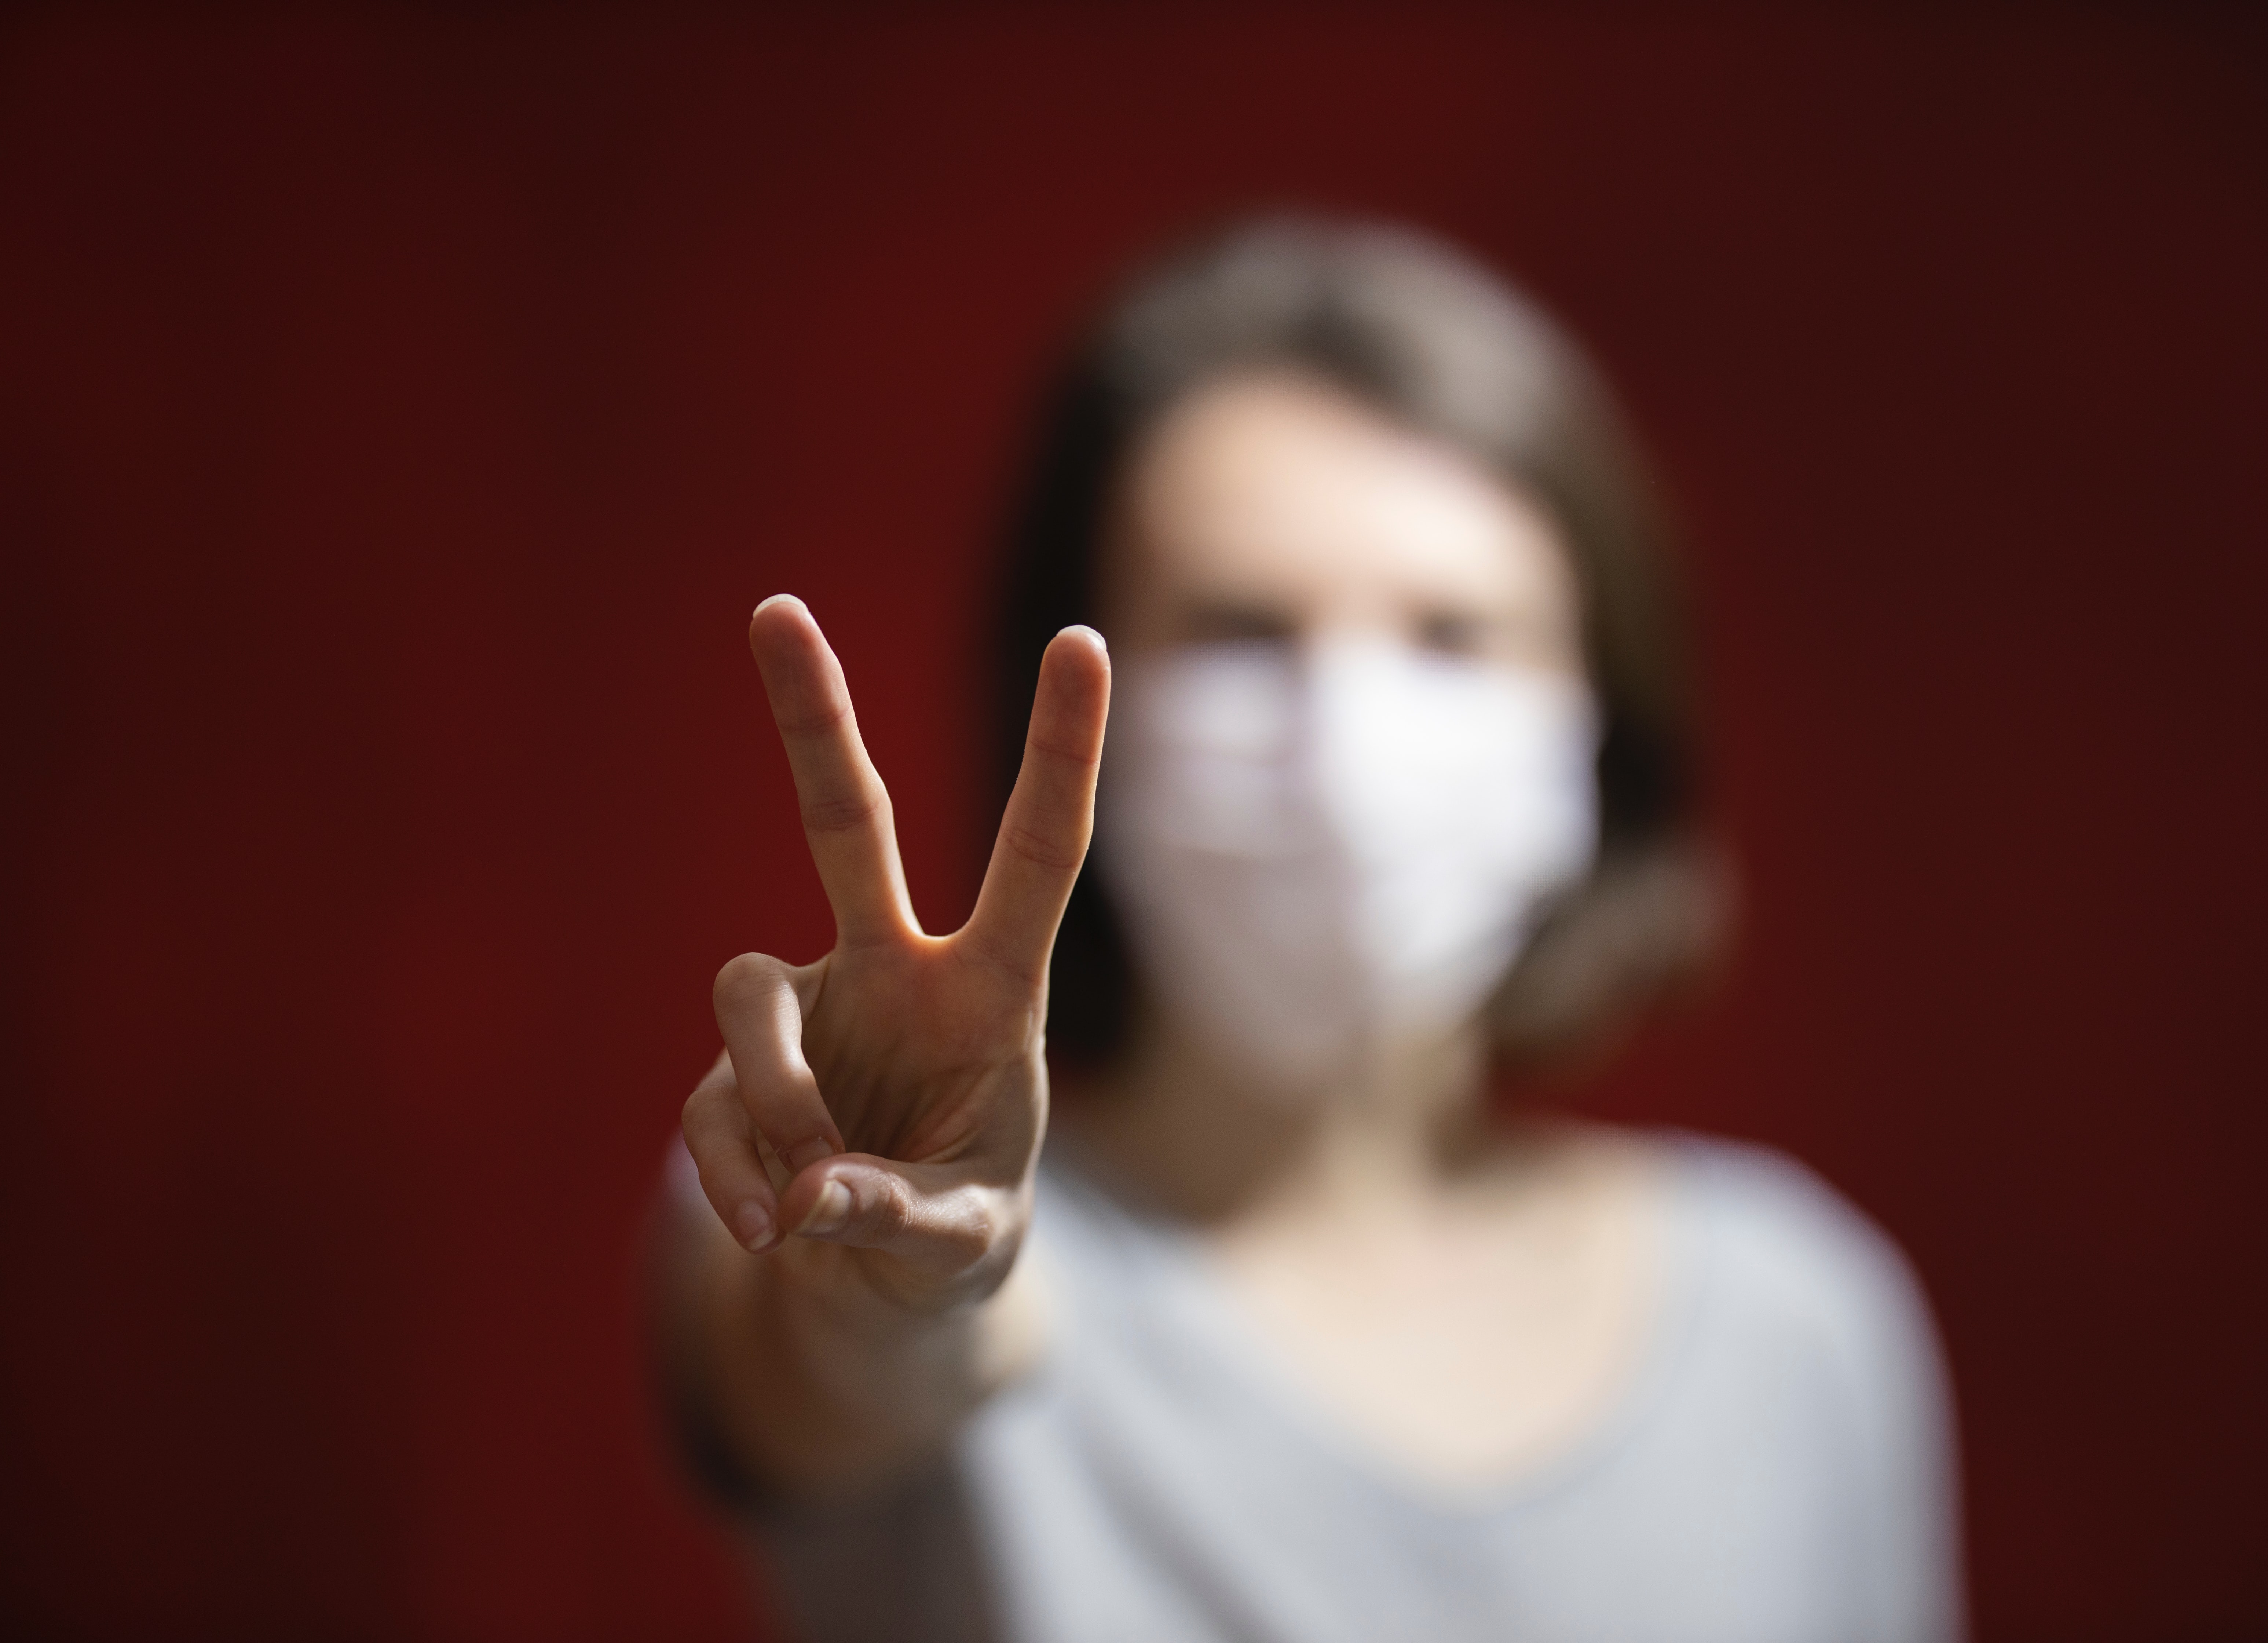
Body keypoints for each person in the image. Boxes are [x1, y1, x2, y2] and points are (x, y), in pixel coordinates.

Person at [656, 217, 1962, 1643]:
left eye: (1452, 634)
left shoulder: (1800, 1324)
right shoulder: (862, 1185)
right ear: (1075, 702)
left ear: (1601, 717)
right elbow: (853, 1357)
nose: (1347, 738)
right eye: (1240, 629)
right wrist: (905, 1284)